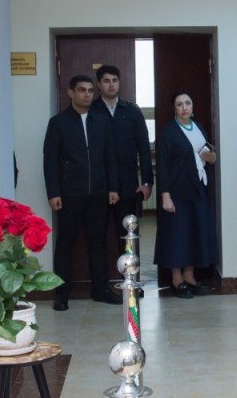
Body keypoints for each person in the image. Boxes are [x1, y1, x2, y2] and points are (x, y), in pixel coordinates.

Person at [42, 75, 120, 310]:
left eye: (89, 90)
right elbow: (50, 160)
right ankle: (62, 293)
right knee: (65, 243)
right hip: (69, 194)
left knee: (97, 243)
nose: (87, 94)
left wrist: (113, 187)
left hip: (99, 193)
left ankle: (100, 289)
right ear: (70, 93)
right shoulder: (58, 123)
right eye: (81, 90)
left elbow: (111, 157)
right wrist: (53, 192)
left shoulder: (102, 121)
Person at [155, 91, 219, 297]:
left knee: (195, 232)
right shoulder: (169, 132)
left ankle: (190, 276)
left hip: (199, 188)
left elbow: (207, 155)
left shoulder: (199, 127)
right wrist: (165, 195)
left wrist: (211, 157)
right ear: (174, 109)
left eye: (188, 103)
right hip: (177, 192)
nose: (184, 107)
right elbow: (163, 166)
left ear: (192, 106)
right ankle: (176, 278)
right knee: (178, 235)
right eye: (180, 104)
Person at [92, 65, 154, 261]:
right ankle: (101, 286)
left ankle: (132, 282)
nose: (111, 85)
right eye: (107, 81)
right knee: (97, 237)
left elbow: (144, 148)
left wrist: (146, 182)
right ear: (99, 84)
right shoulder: (91, 111)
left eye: (115, 80)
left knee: (128, 235)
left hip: (128, 185)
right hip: (99, 185)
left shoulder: (132, 111)